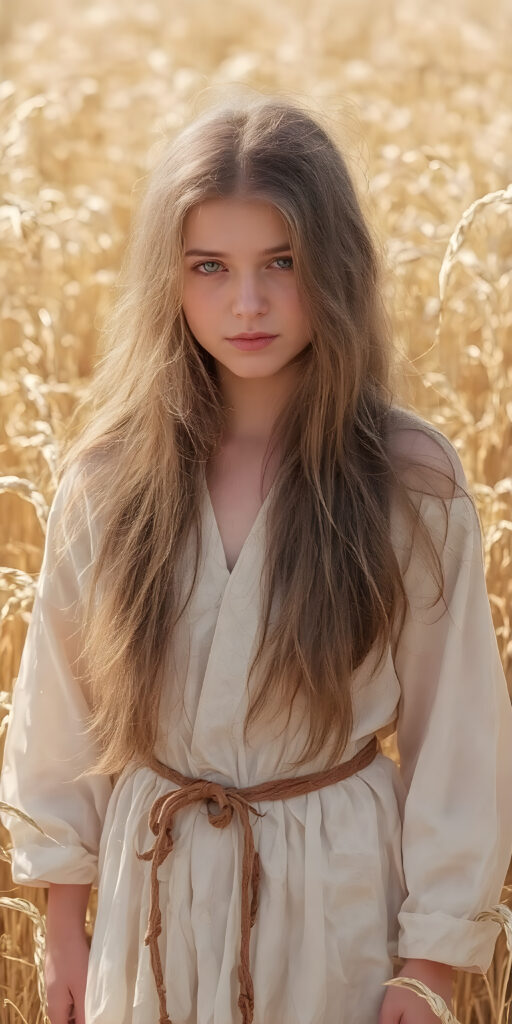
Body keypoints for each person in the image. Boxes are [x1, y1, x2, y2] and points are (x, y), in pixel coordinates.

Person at [1, 93, 511, 1024]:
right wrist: (64, 926)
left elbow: (460, 734)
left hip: (338, 906)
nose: (247, 302)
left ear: (337, 269)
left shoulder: (408, 478)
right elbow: (58, 715)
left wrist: (429, 966)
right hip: (150, 898)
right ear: (171, 280)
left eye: (282, 262)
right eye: (211, 267)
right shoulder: (109, 478)